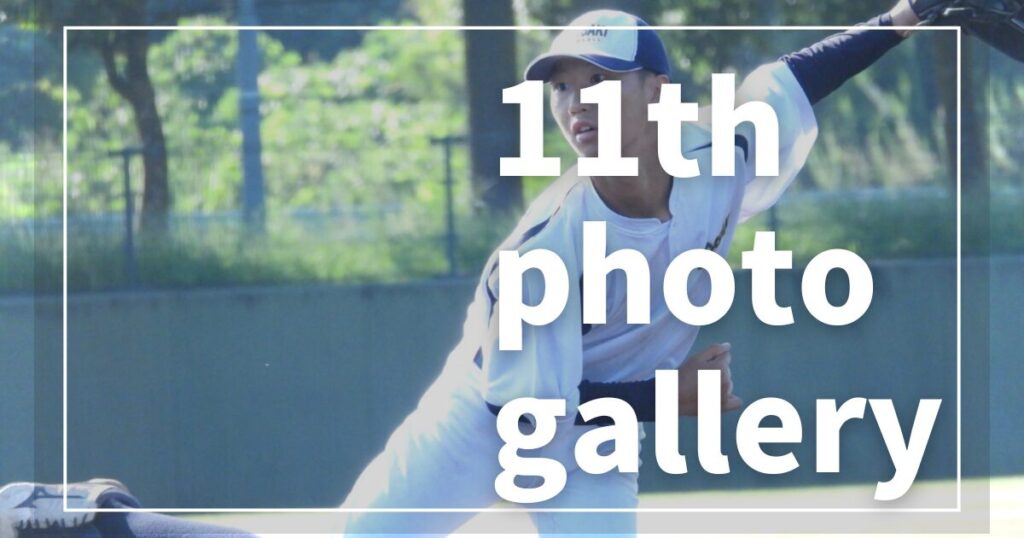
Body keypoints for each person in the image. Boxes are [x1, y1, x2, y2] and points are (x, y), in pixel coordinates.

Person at [1, 1, 936, 537]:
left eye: (598, 81)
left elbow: (796, 76)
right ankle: (110, 521)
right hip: (485, 418)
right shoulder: (549, 250)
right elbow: (534, 414)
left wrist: (907, 17)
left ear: (658, 92)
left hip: (588, 438)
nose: (574, 103)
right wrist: (668, 397)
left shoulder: (718, 154)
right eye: (561, 87)